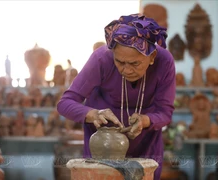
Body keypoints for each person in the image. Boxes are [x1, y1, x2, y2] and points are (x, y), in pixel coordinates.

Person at [57, 13, 175, 180]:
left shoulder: (164, 61)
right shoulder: (101, 58)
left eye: (135, 63)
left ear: (152, 57)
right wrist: (93, 114)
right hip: (102, 150)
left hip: (146, 145)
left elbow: (165, 113)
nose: (126, 70)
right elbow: (65, 103)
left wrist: (145, 121)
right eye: (119, 62)